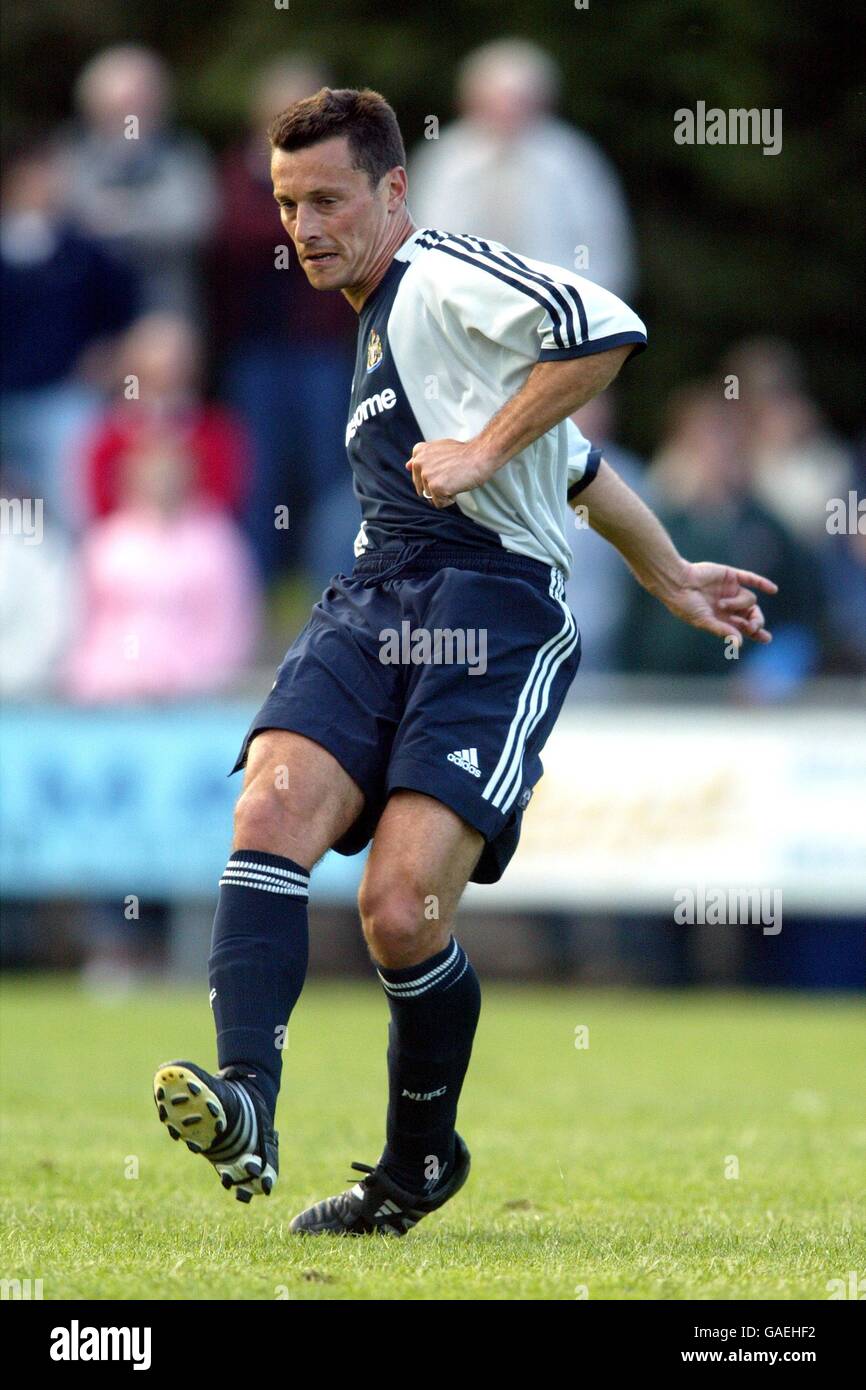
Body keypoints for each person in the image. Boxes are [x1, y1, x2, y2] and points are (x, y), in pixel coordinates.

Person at [152, 88, 776, 1234]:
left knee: (400, 910)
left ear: (394, 190)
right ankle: (247, 1093)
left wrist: (481, 449)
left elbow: (603, 327)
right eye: (288, 203)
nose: (305, 226)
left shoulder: (438, 270)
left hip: (492, 608)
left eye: (330, 198)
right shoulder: (384, 320)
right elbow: (576, 467)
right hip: (374, 593)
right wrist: (672, 572)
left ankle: (413, 1168)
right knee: (268, 811)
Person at [409, 39, 636, 297]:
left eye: (519, 100)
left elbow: (605, 246)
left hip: (557, 314)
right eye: (497, 99)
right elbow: (420, 240)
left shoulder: (572, 160)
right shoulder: (444, 160)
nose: (508, 111)